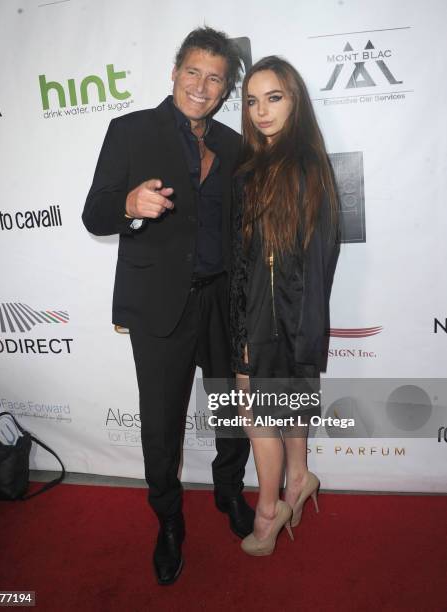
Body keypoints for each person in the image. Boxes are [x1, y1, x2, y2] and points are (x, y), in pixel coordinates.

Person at [82, 27, 253, 584]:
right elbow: (95, 213)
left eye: (215, 78)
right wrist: (130, 204)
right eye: (193, 73)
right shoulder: (130, 131)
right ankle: (169, 521)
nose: (202, 86)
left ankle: (229, 492)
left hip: (223, 302)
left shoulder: (232, 145)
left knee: (230, 410)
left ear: (227, 87)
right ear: (175, 72)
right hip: (158, 305)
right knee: (161, 425)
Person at [229, 56, 340, 555]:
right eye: (252, 101)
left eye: (274, 98)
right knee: (289, 409)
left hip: (269, 322)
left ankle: (269, 512)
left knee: (259, 420)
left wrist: (251, 338)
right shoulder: (290, 165)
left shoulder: (289, 170)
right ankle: (300, 479)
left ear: (295, 100)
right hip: (291, 323)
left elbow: (277, 267)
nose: (260, 111)